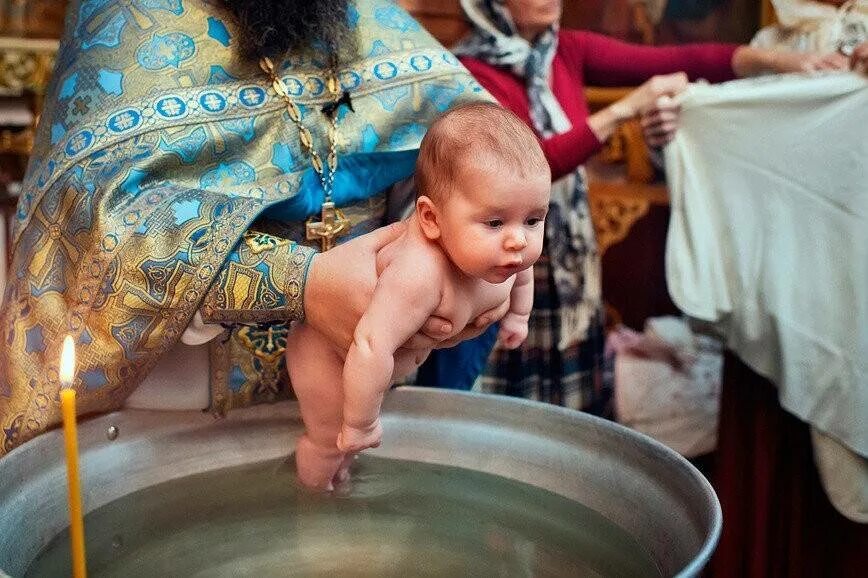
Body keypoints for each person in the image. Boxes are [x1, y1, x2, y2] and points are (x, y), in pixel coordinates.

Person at [0, 0, 502, 455]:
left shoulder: (366, 15)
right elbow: (90, 225)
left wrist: (460, 256)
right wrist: (301, 283)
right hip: (175, 429)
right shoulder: (123, 17)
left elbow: (472, 154)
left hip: (364, 401)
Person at [431, 0, 845, 417]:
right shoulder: (470, 71)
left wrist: (779, 61)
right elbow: (528, 168)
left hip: (570, 263)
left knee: (570, 408)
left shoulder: (565, 50)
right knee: (504, 406)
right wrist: (625, 111)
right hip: (507, 261)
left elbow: (682, 60)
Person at [288, 103, 550, 490]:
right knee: (330, 442)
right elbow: (370, 343)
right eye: (495, 222)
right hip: (330, 357)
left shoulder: (507, 256)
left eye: (533, 219)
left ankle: (338, 479)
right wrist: (361, 422)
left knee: (348, 454)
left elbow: (524, 276)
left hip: (376, 371)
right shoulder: (419, 274)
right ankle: (311, 502)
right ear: (430, 219)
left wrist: (518, 317)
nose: (519, 240)